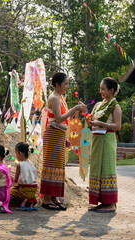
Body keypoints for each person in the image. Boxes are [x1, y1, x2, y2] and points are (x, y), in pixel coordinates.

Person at [40, 72, 86, 210]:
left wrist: (65, 137)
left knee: (59, 166)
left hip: (59, 134)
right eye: (65, 84)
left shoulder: (60, 97)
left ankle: (53, 197)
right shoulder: (54, 98)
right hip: (52, 135)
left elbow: (59, 120)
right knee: (51, 165)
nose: (67, 86)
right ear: (57, 84)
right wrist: (75, 109)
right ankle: (46, 198)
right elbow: (59, 118)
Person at [87, 77, 121, 213]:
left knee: (106, 168)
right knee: (97, 169)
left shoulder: (115, 106)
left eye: (103, 89)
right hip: (96, 140)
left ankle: (110, 203)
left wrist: (101, 124)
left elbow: (117, 126)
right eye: (100, 88)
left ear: (111, 90)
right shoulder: (98, 105)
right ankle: (101, 201)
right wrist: (88, 120)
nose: (100, 91)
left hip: (107, 139)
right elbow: (91, 120)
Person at [10, 142, 38, 211]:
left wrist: (12, 177)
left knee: (10, 191)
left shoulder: (20, 165)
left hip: (24, 190)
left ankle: (23, 202)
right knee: (28, 193)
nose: (16, 155)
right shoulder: (31, 163)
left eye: (16, 153)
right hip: (33, 190)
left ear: (21, 154)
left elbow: (15, 181)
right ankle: (29, 202)